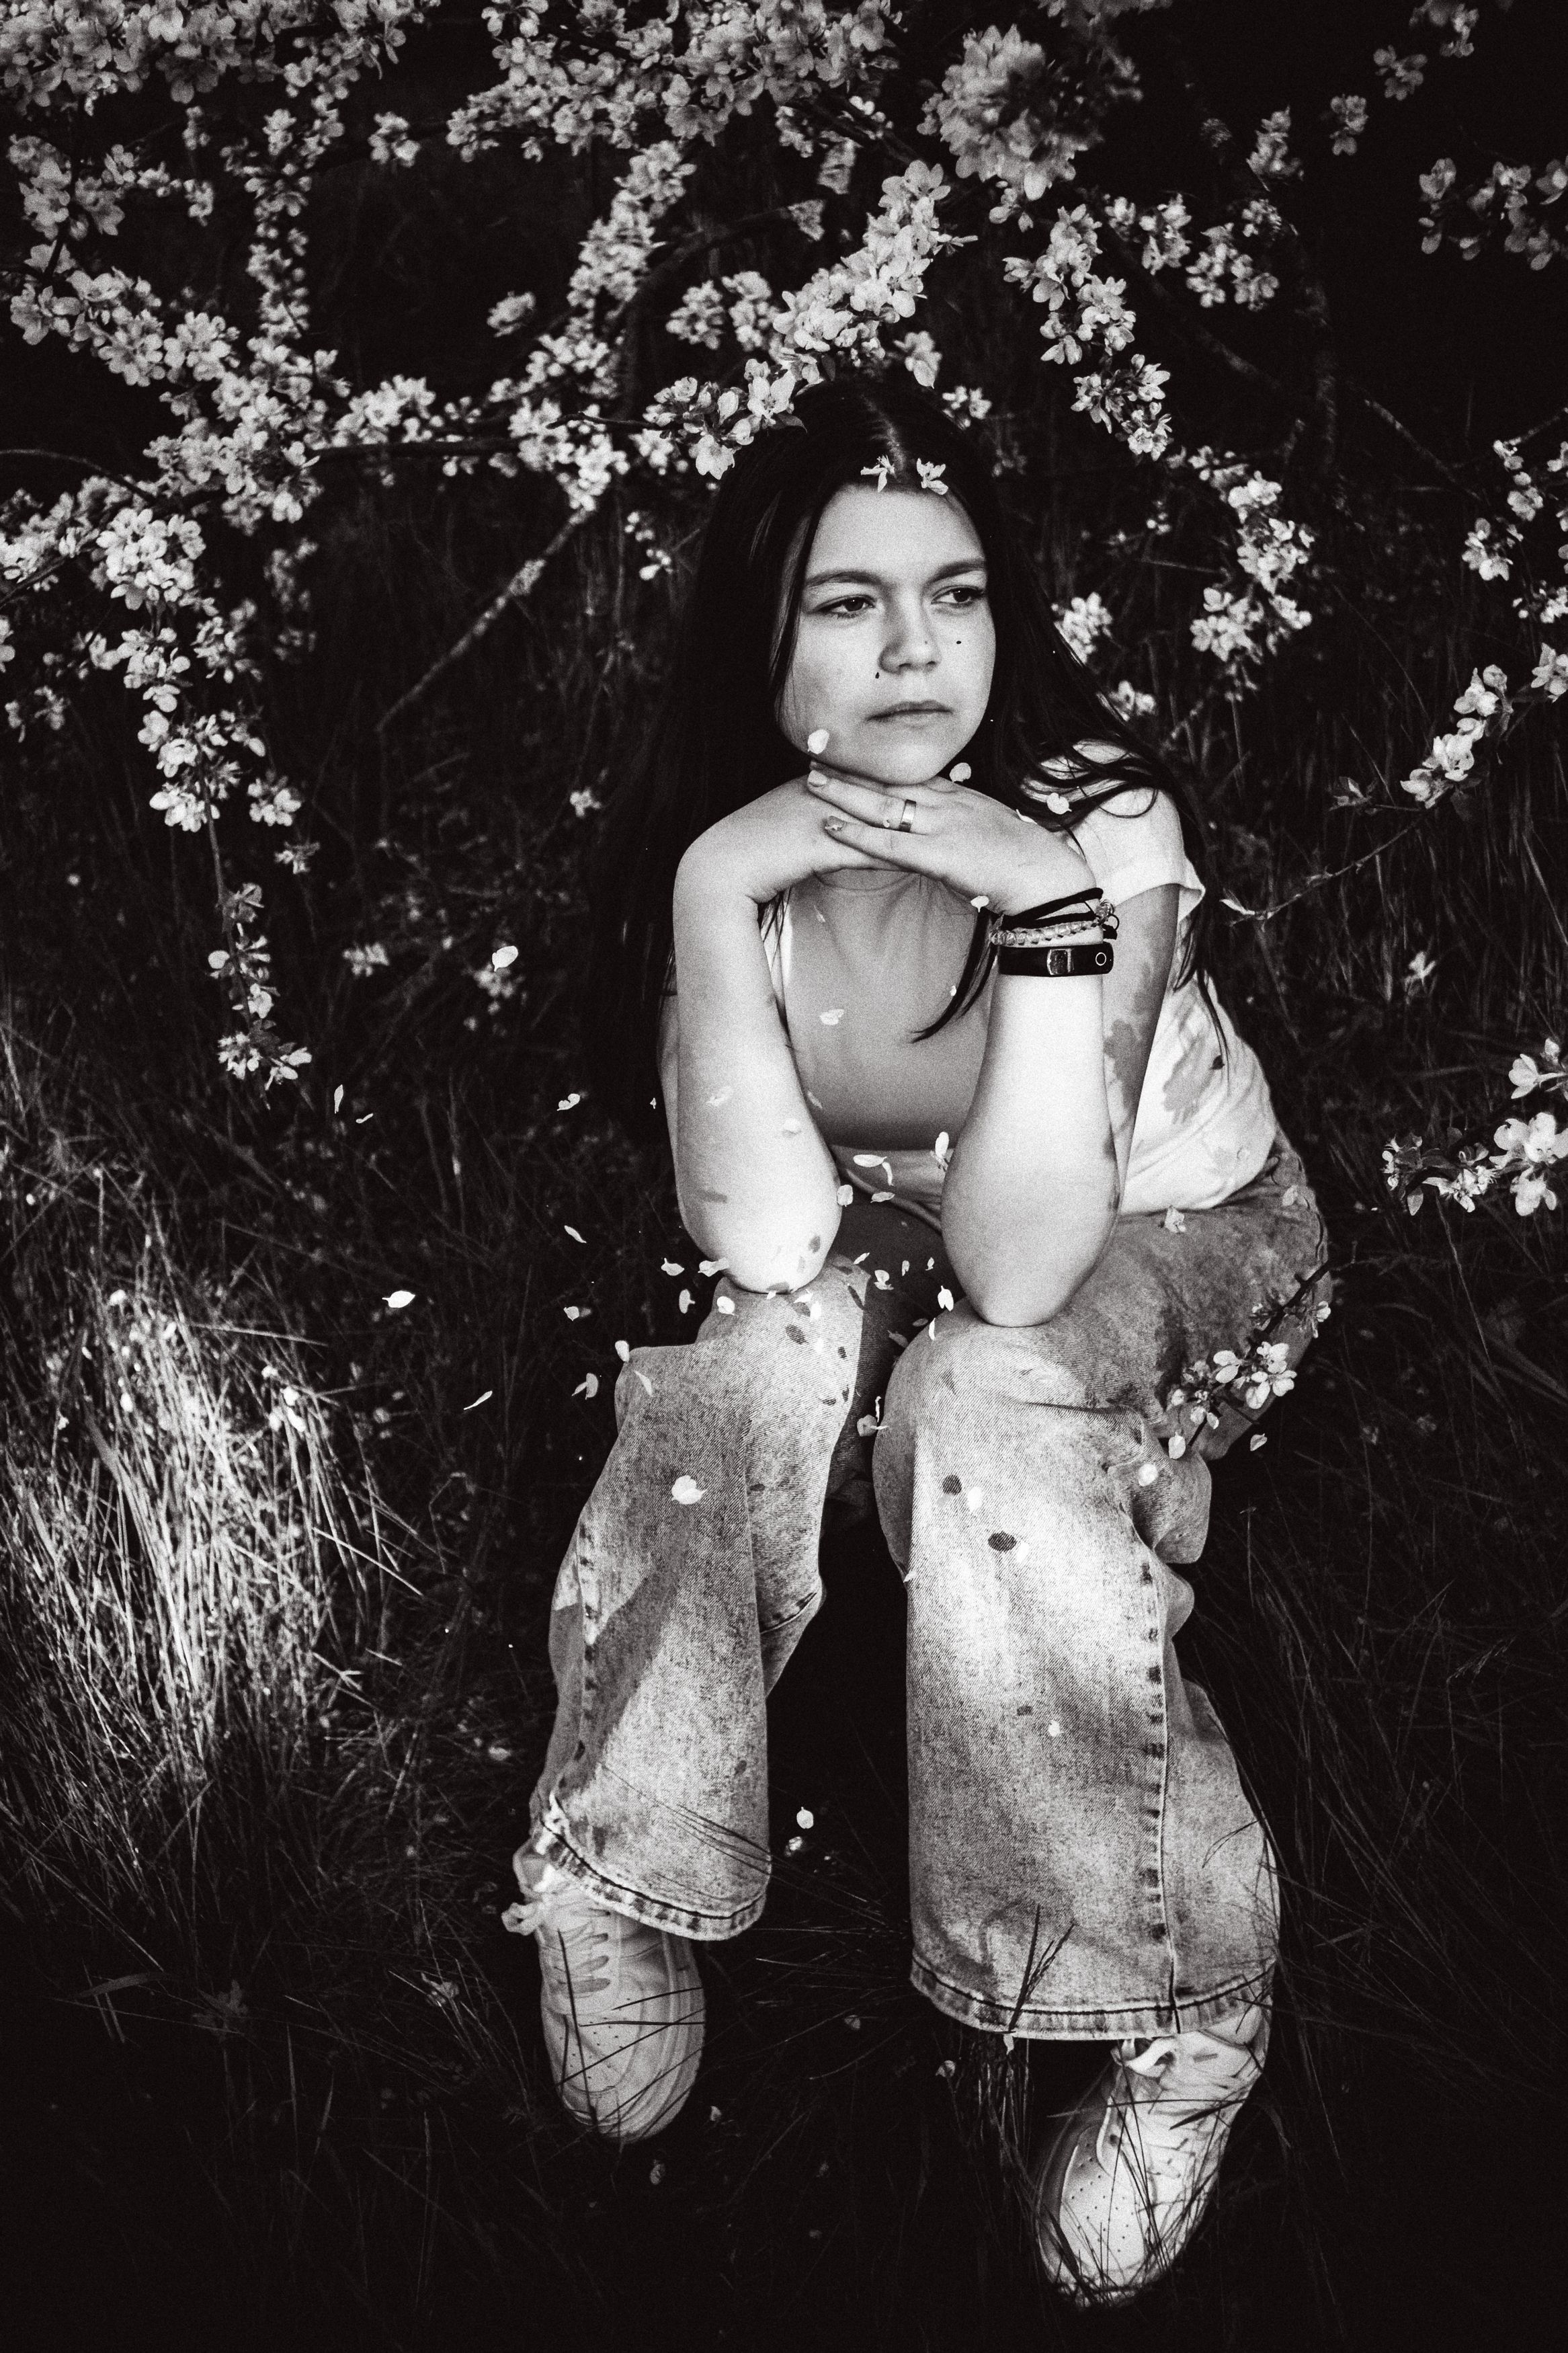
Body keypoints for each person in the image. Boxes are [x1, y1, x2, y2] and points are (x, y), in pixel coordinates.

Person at [503, 368, 1331, 2307]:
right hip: (890, 1230)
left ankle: (1182, 1998)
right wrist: (719, 887)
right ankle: (621, 1866)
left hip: (1173, 1237)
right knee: (741, 1371)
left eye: (955, 594)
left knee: (989, 1392)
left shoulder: (1098, 822)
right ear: (763, 636)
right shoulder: (728, 850)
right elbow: (771, 1234)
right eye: (849, 600)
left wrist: (1040, 902)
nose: (917, 648)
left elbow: (1029, 1268)